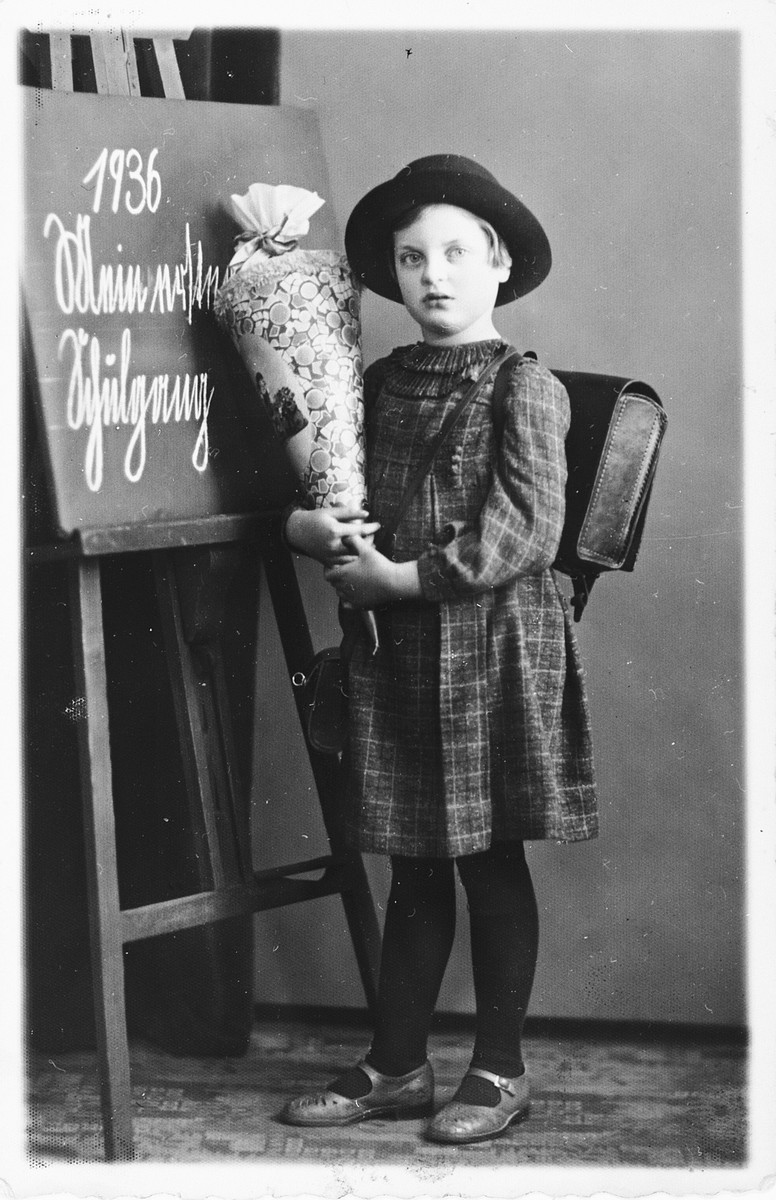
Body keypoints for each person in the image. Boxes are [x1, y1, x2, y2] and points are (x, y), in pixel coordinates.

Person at [279, 154, 597, 1144]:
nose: (434, 274)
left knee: (487, 861)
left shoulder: (523, 387)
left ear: (498, 266)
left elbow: (523, 532)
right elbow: (342, 496)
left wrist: (400, 581)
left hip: (490, 654)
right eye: (412, 257)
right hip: (406, 657)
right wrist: (324, 532)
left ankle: (498, 1071)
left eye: (457, 253)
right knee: (415, 865)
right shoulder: (376, 384)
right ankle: (396, 1065)